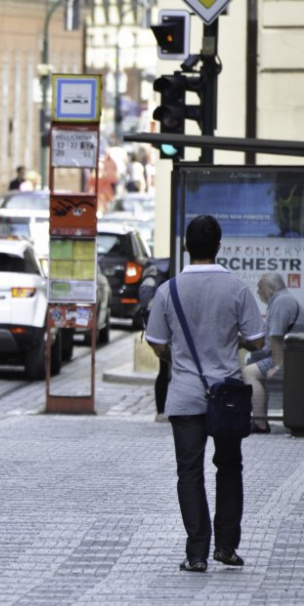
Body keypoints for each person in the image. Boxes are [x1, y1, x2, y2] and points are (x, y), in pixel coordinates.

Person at [145, 214, 265, 573]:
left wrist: (179, 355)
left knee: (189, 473)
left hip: (184, 395)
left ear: (186, 246)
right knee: (229, 468)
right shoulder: (238, 289)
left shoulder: (169, 290)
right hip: (226, 395)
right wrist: (232, 341)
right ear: (218, 247)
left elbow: (157, 344)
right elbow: (257, 340)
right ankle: (226, 547)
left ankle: (196, 553)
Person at [243, 273, 302, 433]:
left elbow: (275, 338)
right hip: (288, 354)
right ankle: (261, 420)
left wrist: (277, 366)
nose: (258, 292)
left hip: (288, 357)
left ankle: (260, 423)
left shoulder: (281, 302)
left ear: (272, 288)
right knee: (253, 367)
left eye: (260, 287)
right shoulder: (282, 300)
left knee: (250, 373)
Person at [138, 257, 171, 422]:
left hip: (158, 328)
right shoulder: (173, 269)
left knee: (164, 370)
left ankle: (161, 411)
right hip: (171, 327)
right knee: (171, 370)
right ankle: (167, 409)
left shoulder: (157, 272)